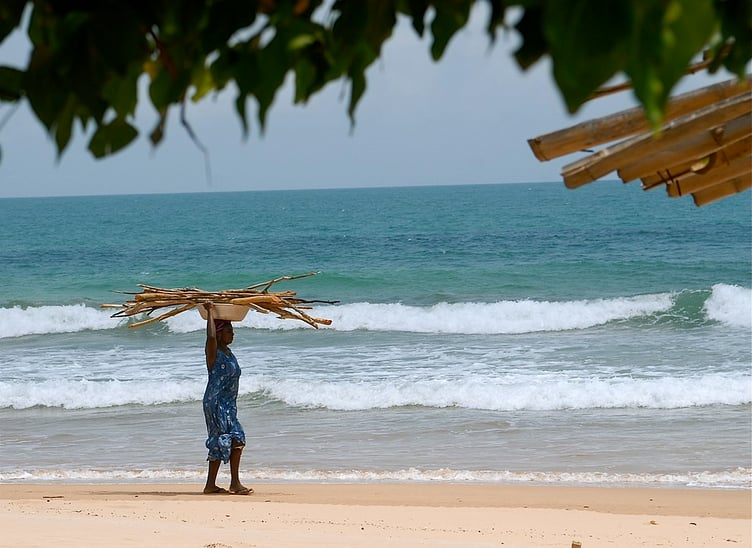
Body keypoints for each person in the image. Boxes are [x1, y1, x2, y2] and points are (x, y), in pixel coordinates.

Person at [201, 302, 253, 495]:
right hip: (215, 403)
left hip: (228, 404)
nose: (233, 334)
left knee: (236, 439)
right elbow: (210, 336)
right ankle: (224, 484)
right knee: (224, 439)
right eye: (229, 331)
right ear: (221, 333)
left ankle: (224, 484)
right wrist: (210, 313)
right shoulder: (213, 353)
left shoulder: (229, 353)